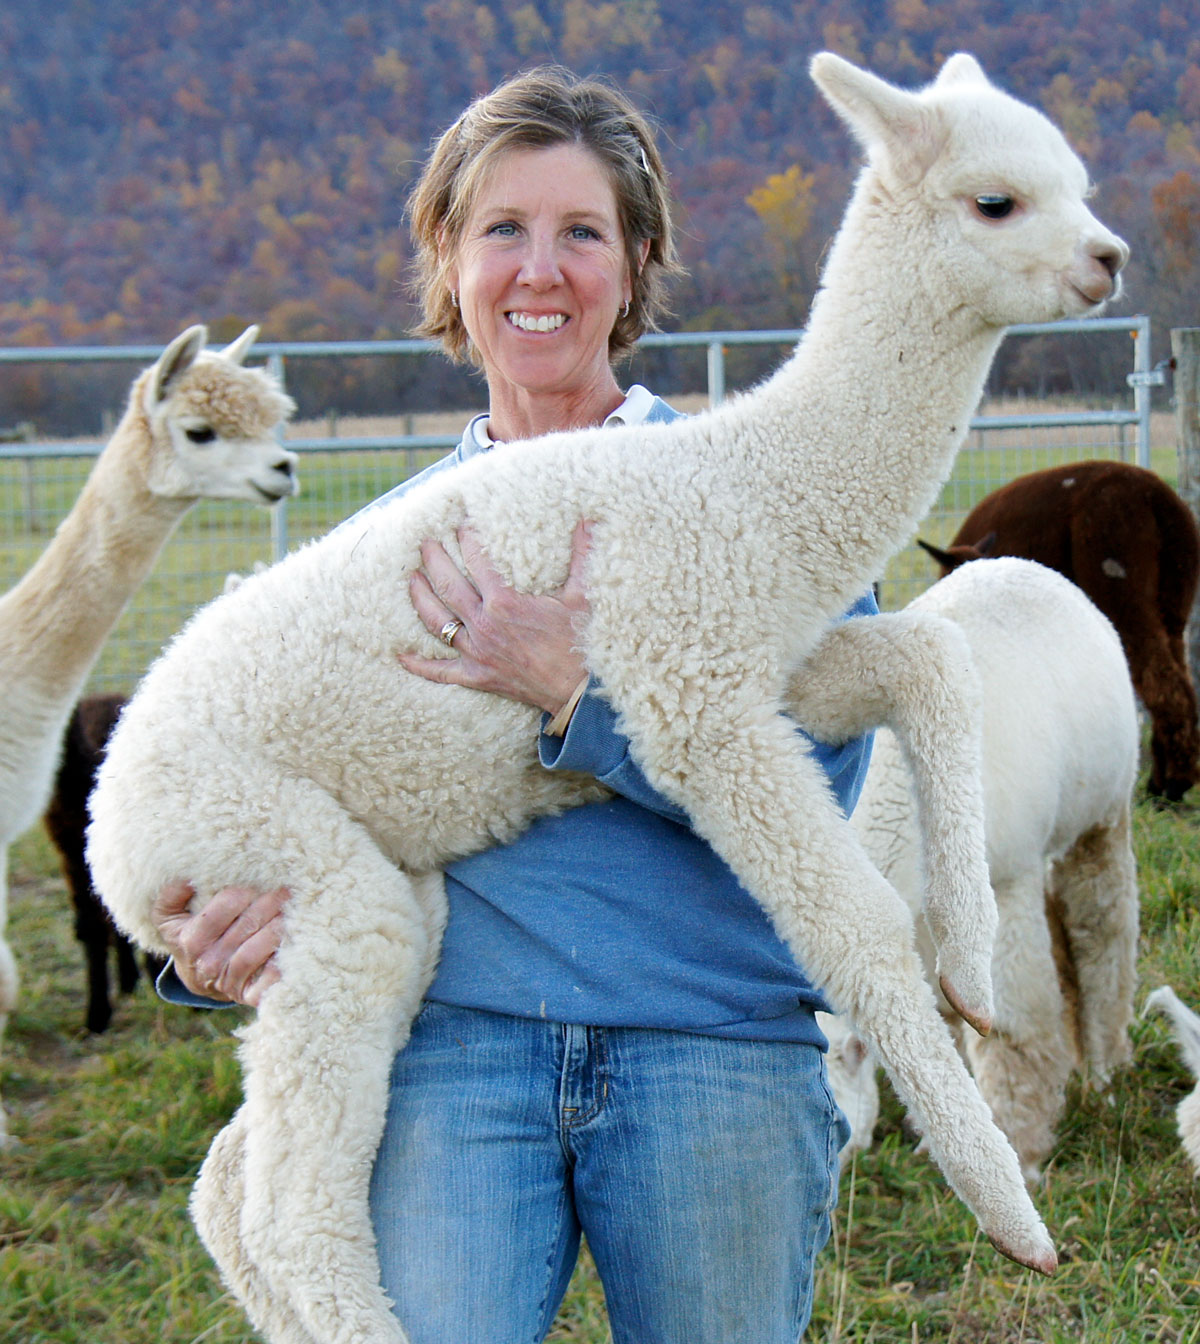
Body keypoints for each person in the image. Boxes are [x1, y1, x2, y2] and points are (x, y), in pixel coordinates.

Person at [153, 66, 877, 1343]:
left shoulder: (750, 508)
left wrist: (579, 700)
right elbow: (304, 811)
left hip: (709, 1049)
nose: (539, 272)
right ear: (448, 258)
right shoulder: (382, 558)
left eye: (581, 233)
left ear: (636, 262)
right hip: (455, 1056)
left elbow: (821, 792)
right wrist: (212, 947)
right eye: (502, 231)